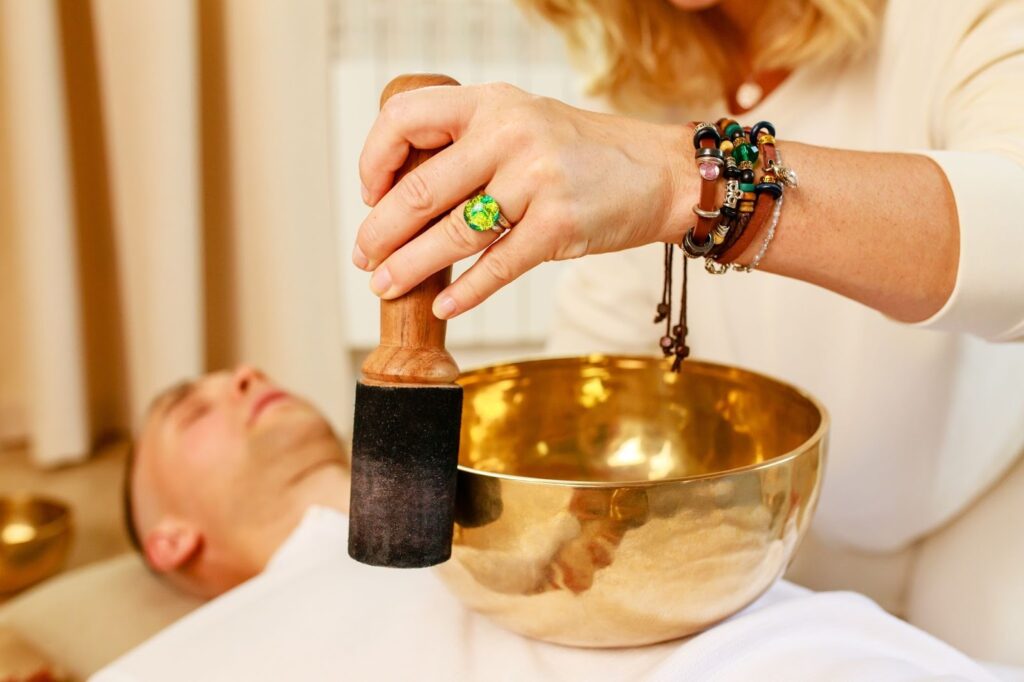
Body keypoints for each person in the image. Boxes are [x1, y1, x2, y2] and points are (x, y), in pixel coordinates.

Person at [352, 0, 1024, 621]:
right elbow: (605, 377)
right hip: (766, 546)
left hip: (985, 540)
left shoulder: (958, 17)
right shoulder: (642, 93)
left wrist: (684, 179)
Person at [96, 368, 1007, 681]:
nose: (246, 376)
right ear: (172, 537)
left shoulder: (540, 484)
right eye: (194, 410)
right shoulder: (185, 660)